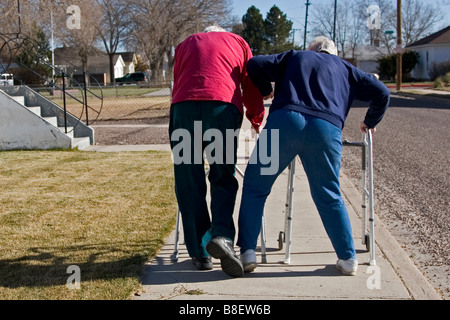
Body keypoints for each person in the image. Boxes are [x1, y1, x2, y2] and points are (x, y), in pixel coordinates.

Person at [237, 36, 390, 276]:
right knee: (328, 194)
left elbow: (254, 64)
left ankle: (247, 252)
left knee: (256, 186)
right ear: (334, 53)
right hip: (326, 129)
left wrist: (267, 90)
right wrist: (369, 122)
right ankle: (348, 258)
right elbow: (382, 93)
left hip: (284, 122)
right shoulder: (347, 69)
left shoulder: (295, 56)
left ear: (312, 49)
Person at [169, 25, 265, 277]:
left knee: (188, 179)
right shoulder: (238, 42)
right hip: (221, 106)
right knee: (222, 173)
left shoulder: (185, 43)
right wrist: (256, 116)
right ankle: (222, 235)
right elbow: (249, 81)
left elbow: (178, 78)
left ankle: (200, 251)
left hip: (184, 108)